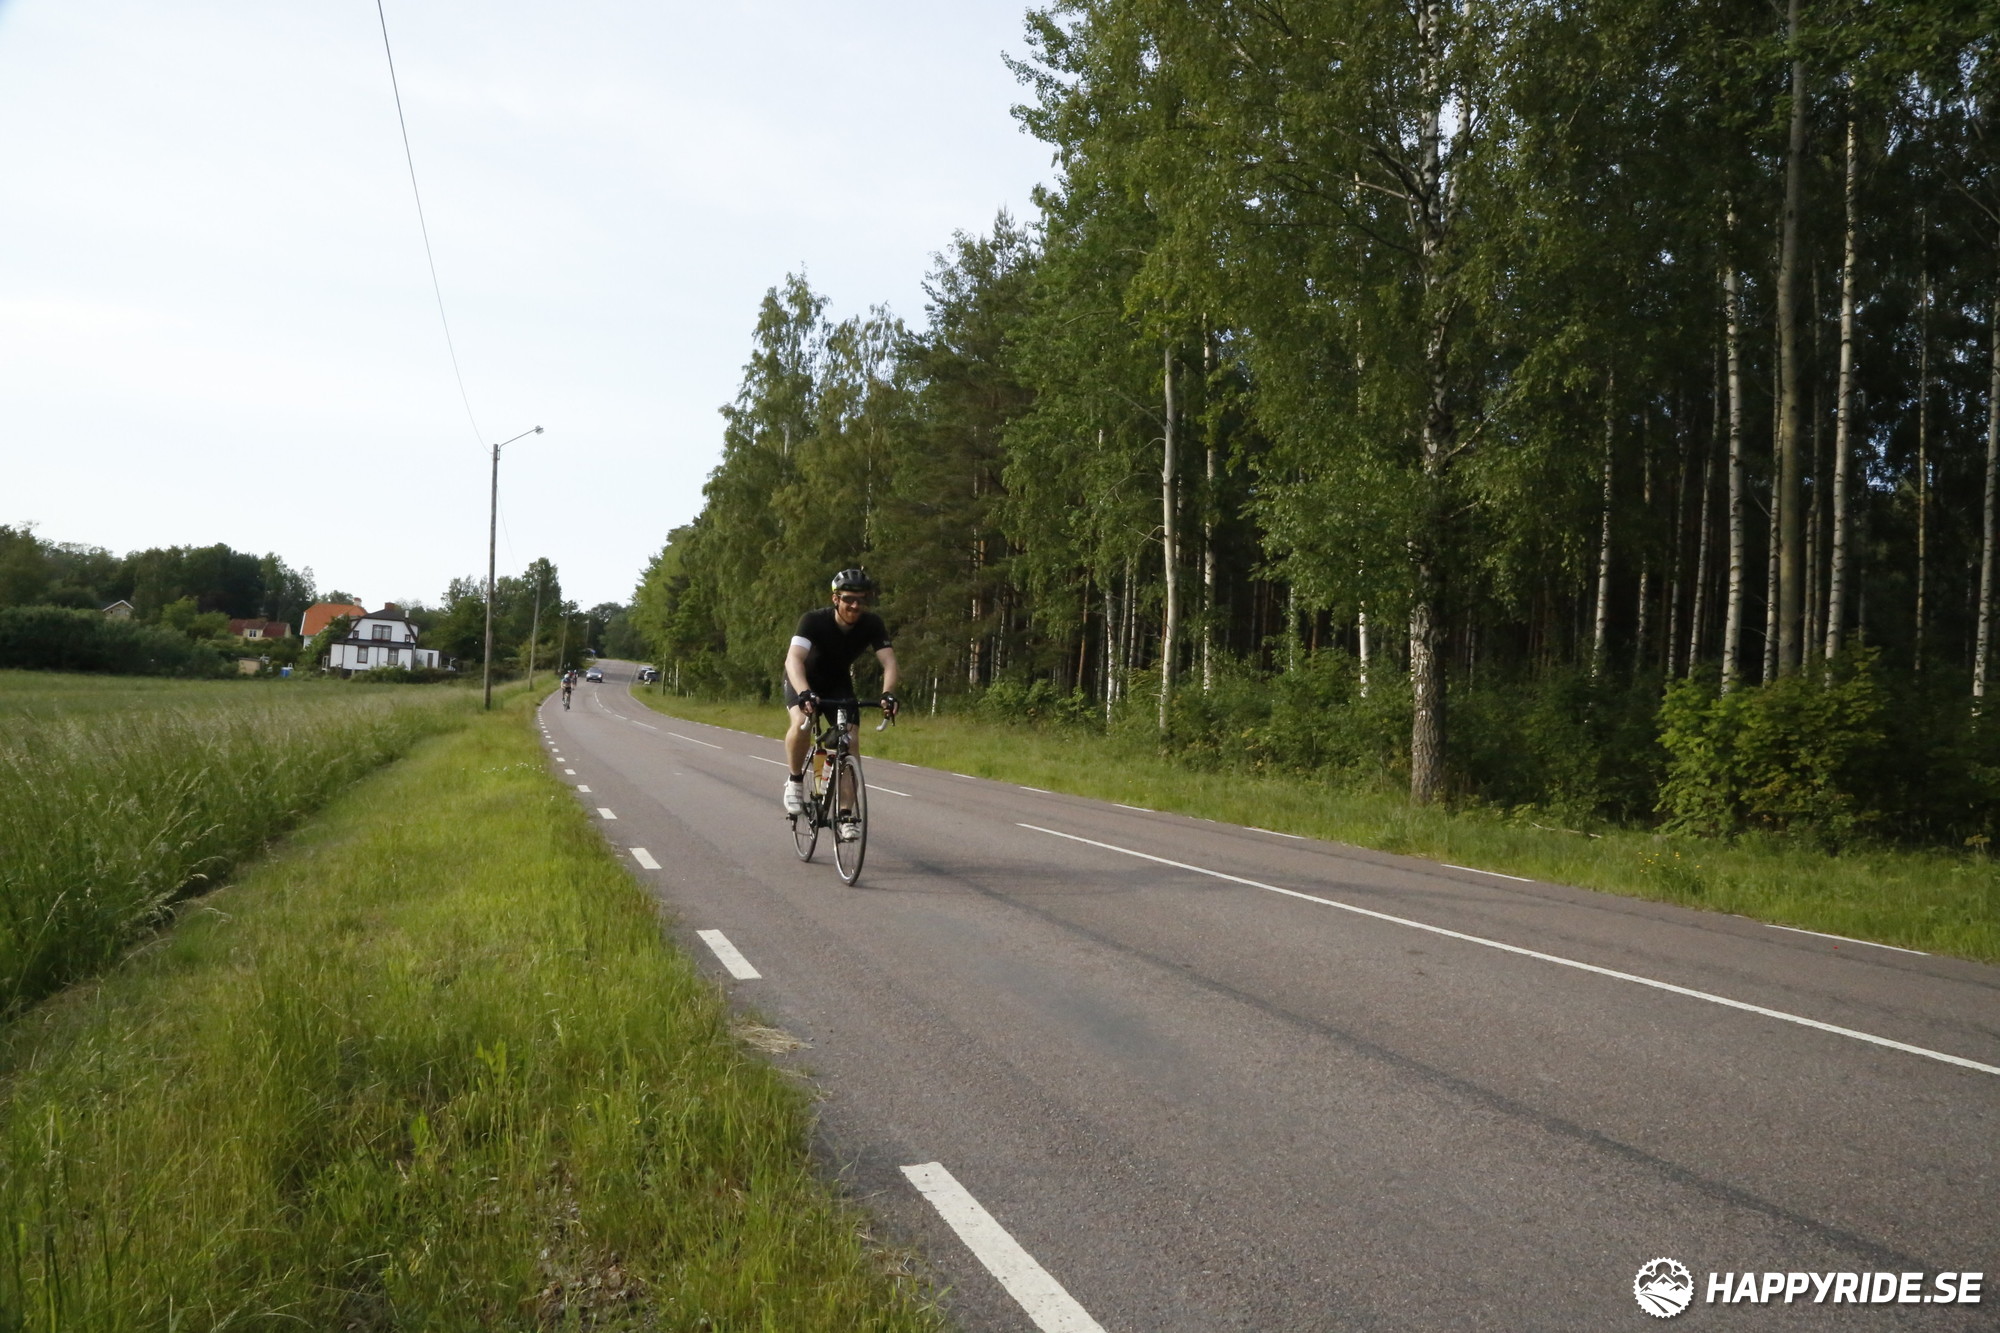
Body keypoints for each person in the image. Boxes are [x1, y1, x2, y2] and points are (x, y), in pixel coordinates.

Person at [783, 568, 899, 821]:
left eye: (861, 600)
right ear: (835, 599)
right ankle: (794, 780)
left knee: (850, 739)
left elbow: (889, 663)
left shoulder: (872, 624)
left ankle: (846, 814)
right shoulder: (813, 620)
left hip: (837, 682)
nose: (855, 606)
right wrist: (804, 692)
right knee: (801, 723)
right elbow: (793, 659)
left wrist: (888, 694)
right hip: (803, 678)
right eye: (849, 599)